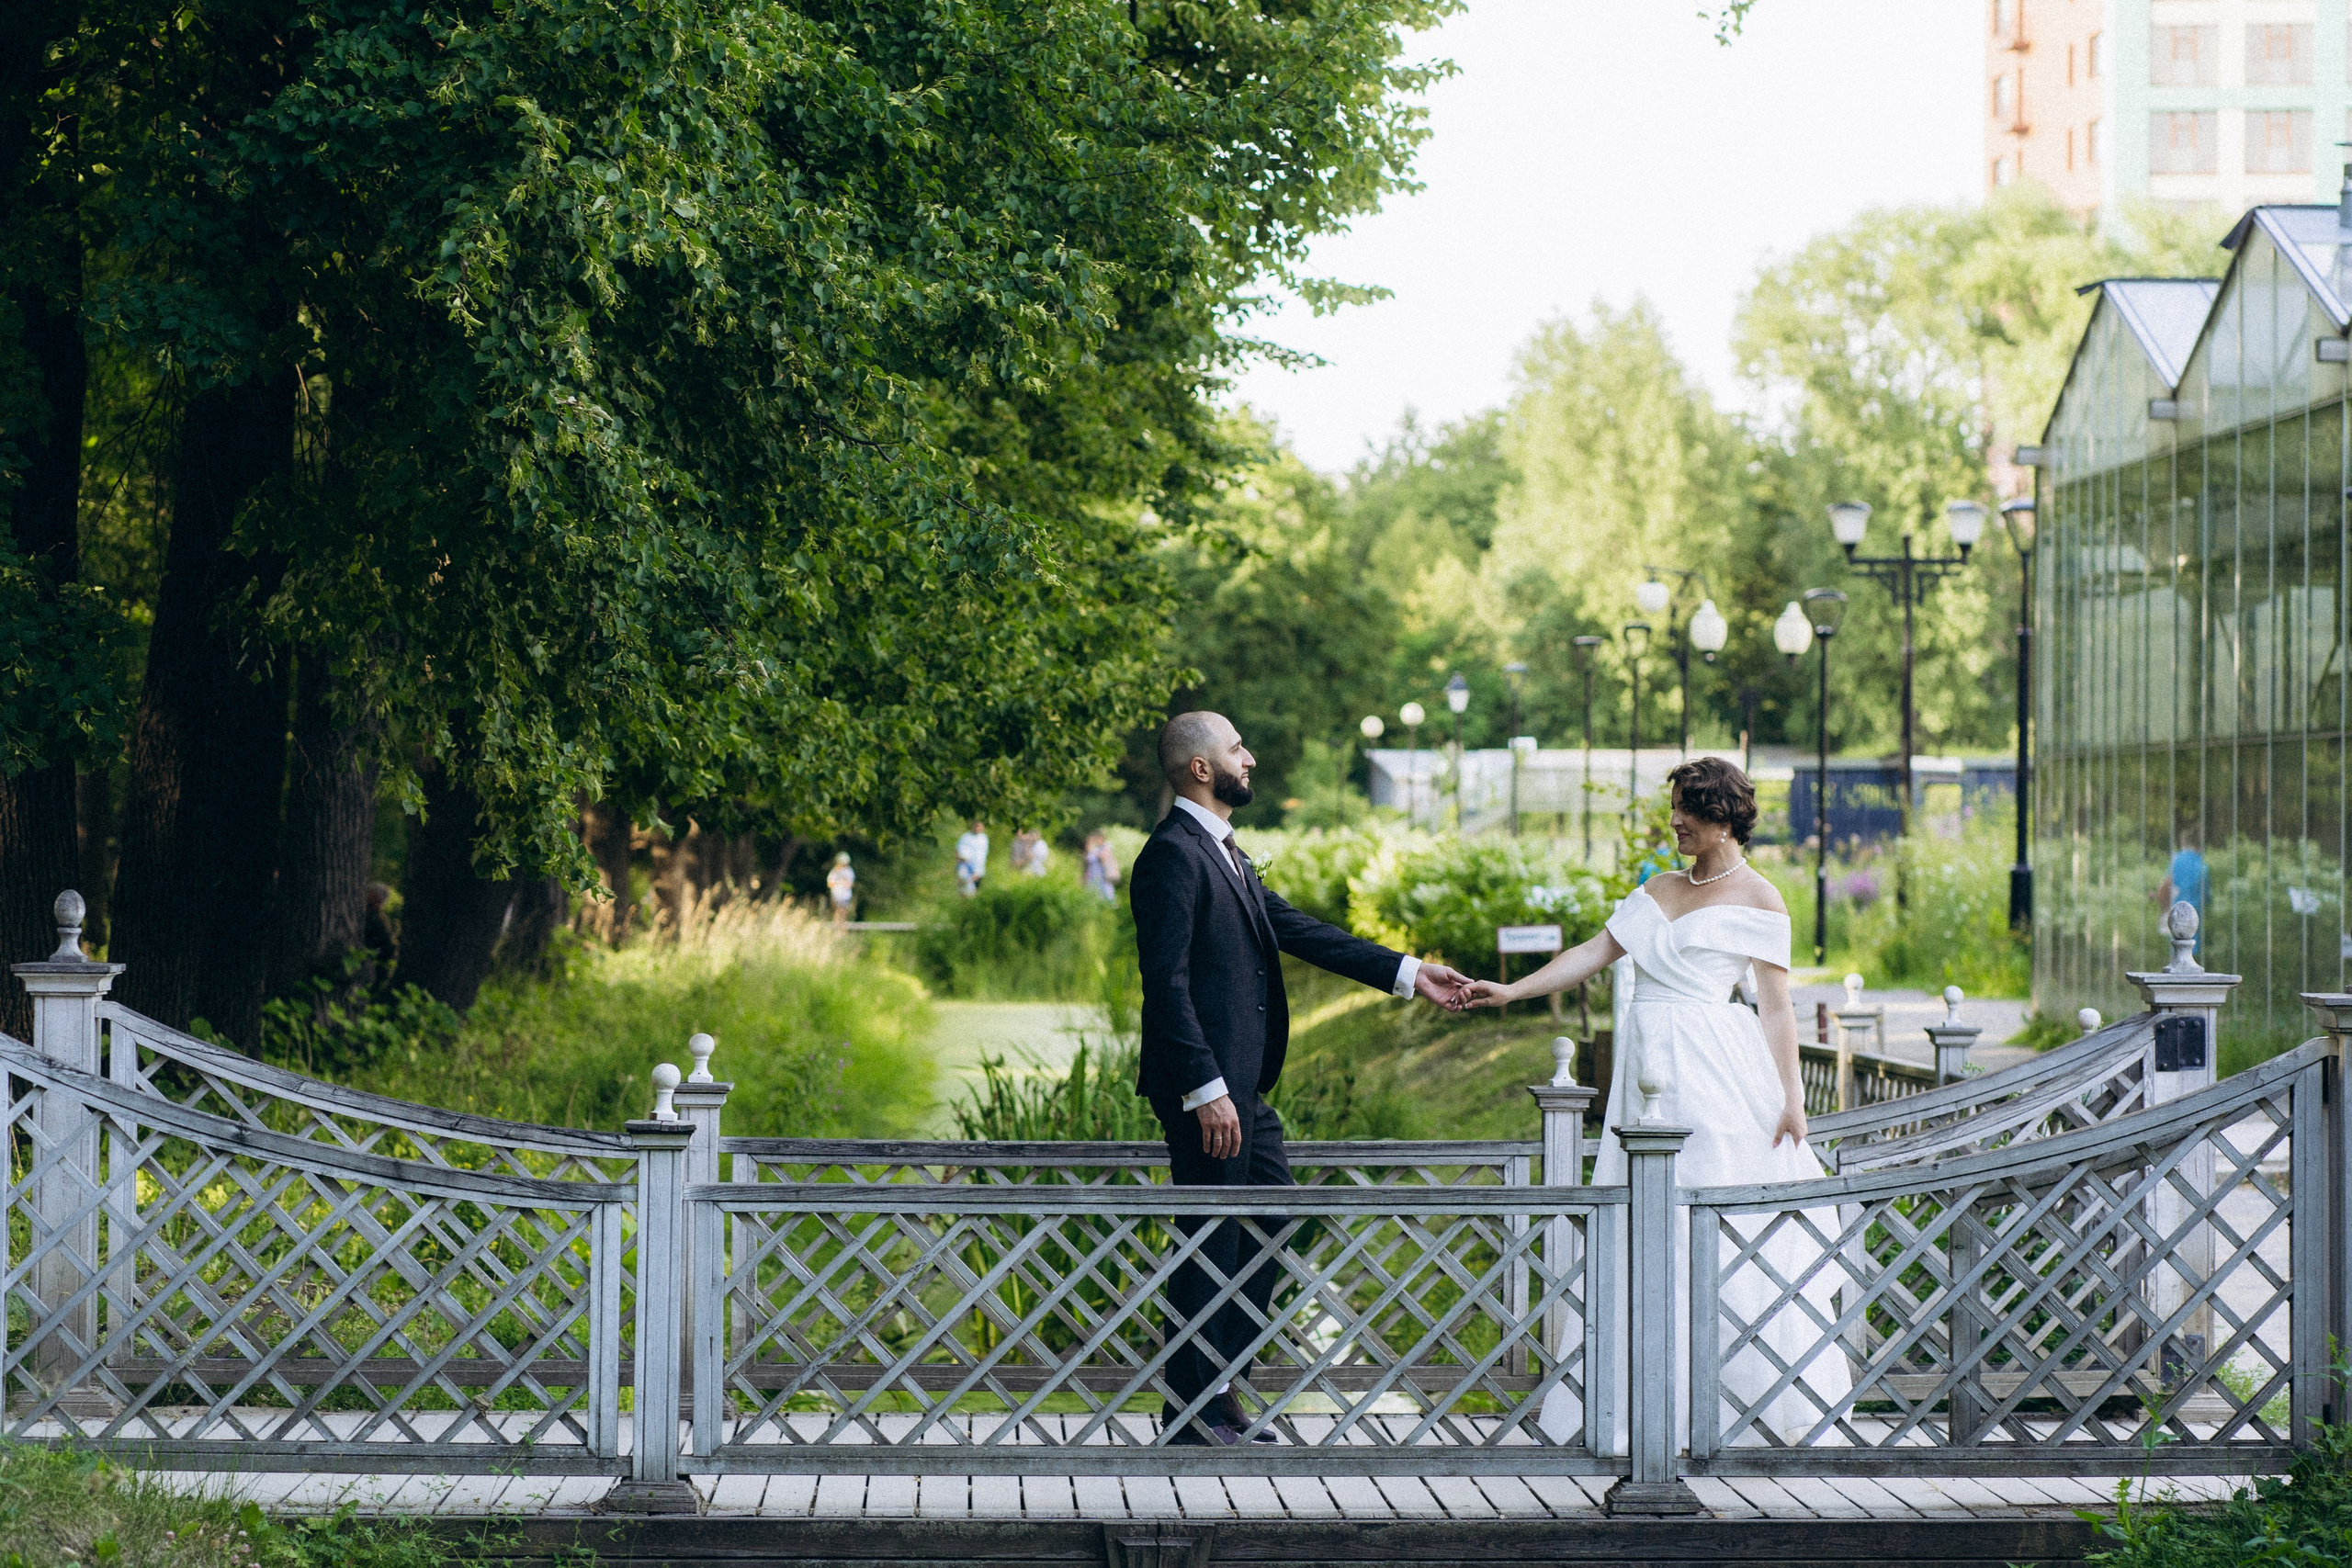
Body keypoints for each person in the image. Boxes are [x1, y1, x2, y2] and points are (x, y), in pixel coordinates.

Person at [1453, 756, 1851, 1450]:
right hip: (1648, 1076)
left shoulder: (1761, 898)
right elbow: (1596, 949)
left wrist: (1792, 1099)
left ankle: (1732, 1411)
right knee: (1642, 1226)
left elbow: (1778, 1009)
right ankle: (1641, 1409)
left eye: (1687, 810)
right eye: (1673, 808)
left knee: (1717, 1228)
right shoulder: (1661, 886)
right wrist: (1513, 990)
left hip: (1717, 1074)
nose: (1674, 822)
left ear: (1723, 815)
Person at [1130, 711, 1471, 1446]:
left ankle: (1217, 1384)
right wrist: (1203, 1087)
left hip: (1242, 1090)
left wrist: (1411, 973)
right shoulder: (1171, 856)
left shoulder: (1223, 850)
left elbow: (1301, 929)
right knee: (1209, 1238)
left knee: (1271, 1217)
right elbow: (1167, 982)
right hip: (1208, 1093)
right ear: (1199, 768)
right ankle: (1192, 1414)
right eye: (1235, 749)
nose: (1248, 758)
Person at [1082, 830, 1120, 902]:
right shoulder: (1095, 849)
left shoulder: (1106, 846)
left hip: (1103, 875)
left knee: (1107, 892)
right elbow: (1088, 863)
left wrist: (1094, 851)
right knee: (1092, 894)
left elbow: (1103, 857)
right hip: (1093, 876)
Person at [954, 820, 989, 897]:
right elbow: (958, 851)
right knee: (963, 887)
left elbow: (983, 855)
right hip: (965, 866)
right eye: (976, 826)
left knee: (976, 889)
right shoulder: (965, 837)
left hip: (978, 868)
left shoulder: (984, 839)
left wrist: (978, 870)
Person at [826, 852, 856, 925]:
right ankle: (837, 928)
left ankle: (842, 929)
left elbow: (851, 884)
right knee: (837, 911)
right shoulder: (834, 871)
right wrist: (839, 883)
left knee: (843, 911)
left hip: (845, 895)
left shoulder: (849, 871)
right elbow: (830, 883)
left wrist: (841, 883)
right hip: (836, 895)